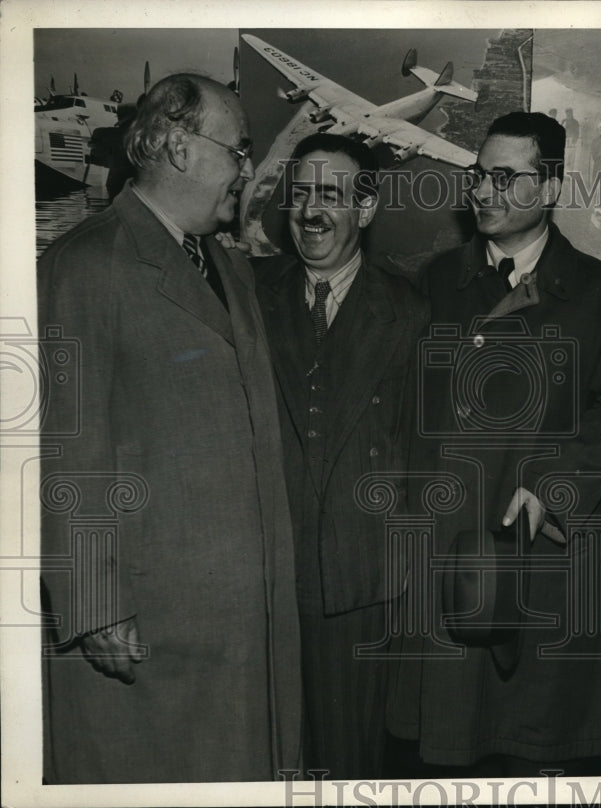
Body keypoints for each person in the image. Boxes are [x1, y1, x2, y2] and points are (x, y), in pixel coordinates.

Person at [37, 74, 301, 783]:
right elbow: (66, 448)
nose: (247, 169)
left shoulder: (225, 266)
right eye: (238, 150)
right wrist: (93, 606)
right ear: (181, 150)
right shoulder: (85, 264)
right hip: (153, 627)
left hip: (238, 619)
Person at [385, 111, 601, 776]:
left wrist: (559, 486)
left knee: (533, 744)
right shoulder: (434, 282)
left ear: (551, 186)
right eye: (479, 175)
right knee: (446, 746)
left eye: (506, 176)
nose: (484, 191)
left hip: (543, 540)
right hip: (447, 538)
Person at [252, 133, 428, 778]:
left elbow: (426, 460)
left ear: (367, 208)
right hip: (263, 579)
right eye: (300, 193)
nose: (310, 210)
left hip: (364, 587)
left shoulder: (411, 312)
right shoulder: (246, 296)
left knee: (350, 769)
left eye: (330, 194)